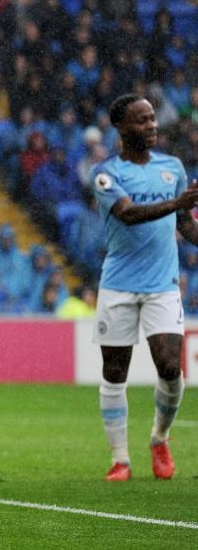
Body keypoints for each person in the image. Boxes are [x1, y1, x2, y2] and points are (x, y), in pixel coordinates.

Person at [91, 94, 198, 482]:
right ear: (121, 128)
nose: (152, 126)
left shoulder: (172, 168)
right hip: (118, 285)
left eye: (153, 119)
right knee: (115, 373)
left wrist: (182, 210)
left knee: (170, 366)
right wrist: (176, 203)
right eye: (142, 120)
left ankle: (160, 437)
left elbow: (185, 224)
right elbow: (128, 214)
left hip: (162, 285)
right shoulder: (105, 174)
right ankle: (120, 459)